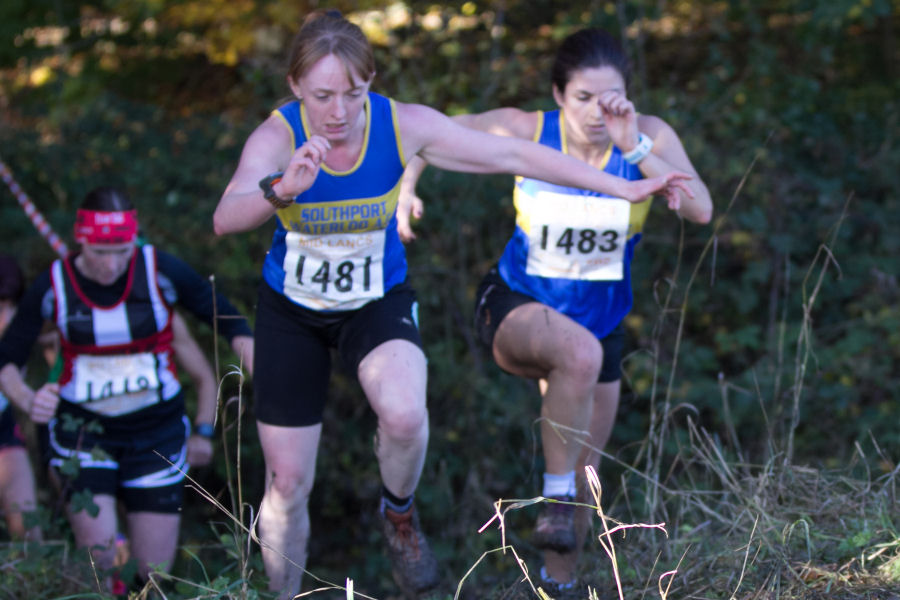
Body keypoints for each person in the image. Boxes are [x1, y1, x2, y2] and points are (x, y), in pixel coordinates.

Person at [212, 11, 691, 600]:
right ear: (295, 88)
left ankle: (400, 516)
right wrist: (280, 189)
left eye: (354, 94)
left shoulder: (401, 125)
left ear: (372, 83)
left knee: (407, 416)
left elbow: (516, 157)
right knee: (287, 482)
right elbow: (224, 217)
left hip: (375, 303)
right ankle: (286, 594)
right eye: (322, 96)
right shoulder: (276, 136)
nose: (338, 112)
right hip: (292, 312)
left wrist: (623, 185)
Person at [398, 27, 712, 595]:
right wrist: (407, 186)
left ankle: (556, 586)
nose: (596, 113)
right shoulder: (528, 129)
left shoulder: (648, 136)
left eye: (609, 98)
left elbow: (701, 210)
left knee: (581, 485)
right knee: (576, 360)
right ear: (558, 95)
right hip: (517, 307)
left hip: (601, 324)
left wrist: (635, 146)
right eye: (583, 99)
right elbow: (429, 137)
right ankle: (555, 497)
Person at [0, 187, 254, 587]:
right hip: (84, 436)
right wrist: (29, 399)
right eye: (101, 252)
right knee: (101, 566)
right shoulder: (55, 285)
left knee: (150, 578)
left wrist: (255, 357)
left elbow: (225, 316)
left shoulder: (160, 272)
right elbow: (7, 358)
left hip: (156, 435)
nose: (113, 263)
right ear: (80, 239)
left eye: (122, 250)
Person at [0, 254, 41, 541]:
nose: (6, 319)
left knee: (29, 535)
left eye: (11, 308)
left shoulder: (21, 336)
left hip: (5, 433)